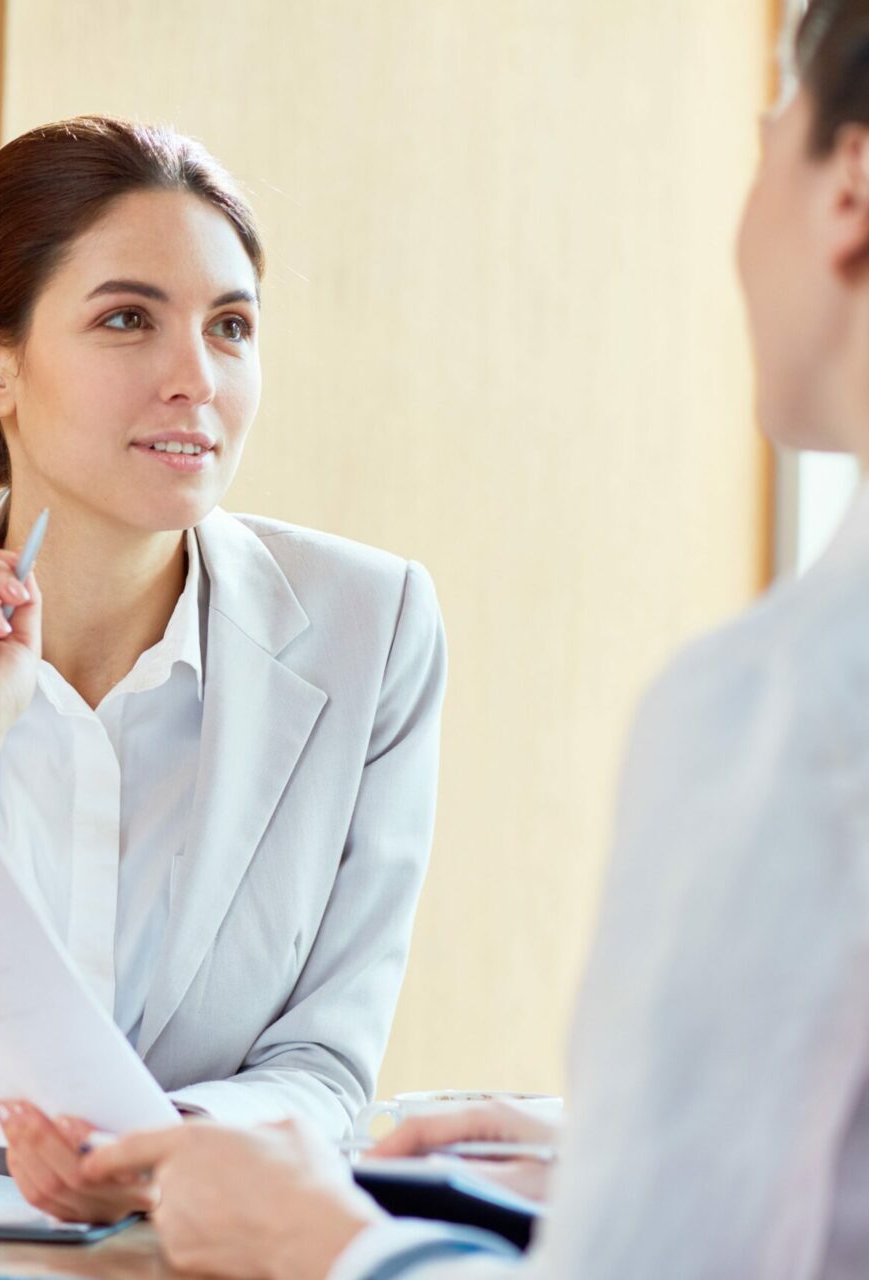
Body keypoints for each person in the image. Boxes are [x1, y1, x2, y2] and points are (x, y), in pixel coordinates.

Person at [79, 3, 869, 1275]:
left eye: (763, 140)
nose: (196, 375)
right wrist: (606, 1144)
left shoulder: (784, 707)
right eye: (129, 319)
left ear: (850, 186)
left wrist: (324, 1242)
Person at [0, 115, 449, 1221]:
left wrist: (167, 1149)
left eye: (231, 326)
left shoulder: (372, 630)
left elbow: (328, 1063)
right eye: (127, 319)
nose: (195, 378)